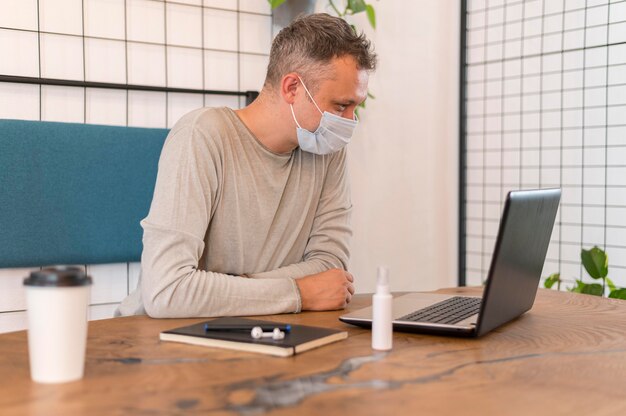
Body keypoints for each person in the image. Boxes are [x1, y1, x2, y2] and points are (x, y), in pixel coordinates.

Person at [117, 13, 377, 318]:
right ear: (292, 88)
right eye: (341, 106)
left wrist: (230, 289)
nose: (349, 122)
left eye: (354, 107)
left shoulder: (327, 147)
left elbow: (330, 269)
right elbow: (167, 290)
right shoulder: (201, 136)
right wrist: (299, 291)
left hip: (267, 330)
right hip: (165, 338)